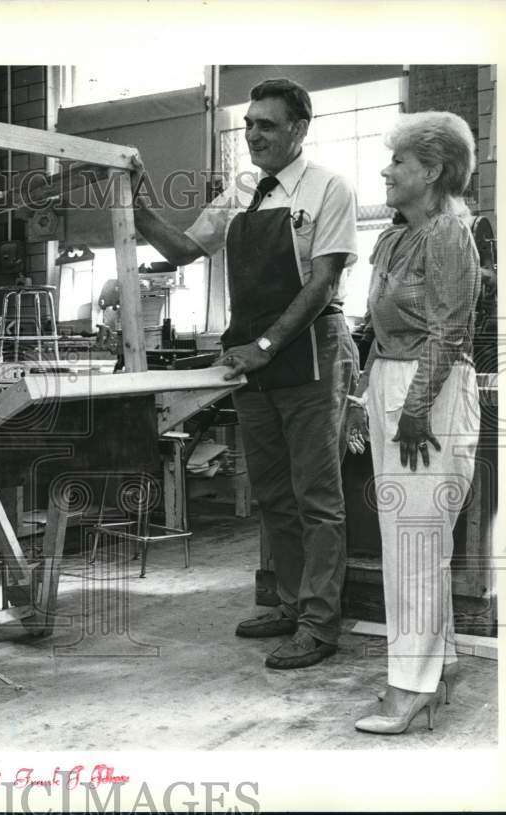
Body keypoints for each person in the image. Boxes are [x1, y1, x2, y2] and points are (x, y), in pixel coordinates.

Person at [133, 78, 359, 669]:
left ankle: (319, 623)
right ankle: (289, 603)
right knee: (274, 494)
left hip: (308, 351)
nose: (253, 133)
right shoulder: (240, 189)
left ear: (299, 129)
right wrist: (133, 204)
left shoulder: (329, 188)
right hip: (253, 359)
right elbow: (184, 248)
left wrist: (265, 344)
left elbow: (323, 283)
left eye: (266, 124)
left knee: (318, 497)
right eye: (249, 124)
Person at [348, 112, 480, 734]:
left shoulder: (451, 235)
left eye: (398, 160)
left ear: (431, 171)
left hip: (428, 393)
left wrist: (414, 406)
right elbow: (380, 326)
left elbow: (449, 330)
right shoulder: (398, 236)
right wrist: (364, 394)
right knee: (411, 540)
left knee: (416, 545)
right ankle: (440, 665)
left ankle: (409, 687)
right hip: (393, 388)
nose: (386, 169)